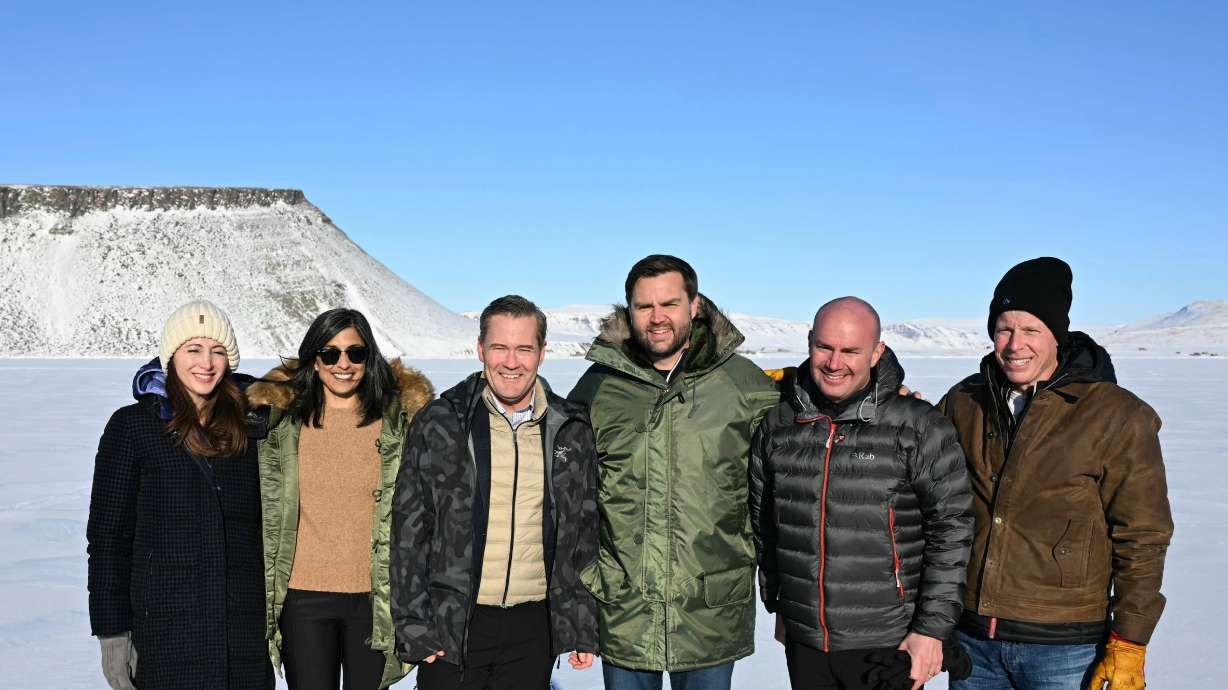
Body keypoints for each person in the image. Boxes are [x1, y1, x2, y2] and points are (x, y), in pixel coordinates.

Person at [937, 257, 1174, 690]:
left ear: (1056, 335)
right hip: (972, 640)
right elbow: (918, 472)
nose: (1015, 345)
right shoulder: (965, 401)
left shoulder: (1117, 415)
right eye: (1004, 329)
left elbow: (1143, 535)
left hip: (1064, 648)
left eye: (1031, 330)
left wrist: (1130, 639)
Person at [568, 255, 781, 689]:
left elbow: (805, 438)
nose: (657, 317)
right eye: (644, 306)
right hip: (625, 609)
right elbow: (565, 488)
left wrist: (884, 398)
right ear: (629, 310)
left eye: (669, 304)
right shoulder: (599, 386)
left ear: (694, 305)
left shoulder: (744, 384)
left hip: (710, 610)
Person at [749, 297, 974, 690]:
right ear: (809, 342)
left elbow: (952, 531)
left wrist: (931, 630)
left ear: (876, 352)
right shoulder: (781, 424)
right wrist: (781, 602)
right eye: (824, 347)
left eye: (851, 351)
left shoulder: (918, 427)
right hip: (806, 639)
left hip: (887, 641)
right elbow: (766, 520)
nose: (835, 363)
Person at [391, 295, 599, 690]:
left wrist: (580, 622)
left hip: (533, 627)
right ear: (480, 349)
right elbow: (408, 529)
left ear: (542, 353)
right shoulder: (443, 422)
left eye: (524, 349)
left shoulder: (569, 427)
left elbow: (583, 533)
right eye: (500, 347)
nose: (511, 362)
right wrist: (413, 623)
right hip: (454, 623)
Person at [87, 300, 273, 690]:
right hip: (165, 632)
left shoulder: (254, 428)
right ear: (171, 356)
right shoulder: (133, 427)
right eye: (193, 349)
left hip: (242, 635)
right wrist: (112, 631)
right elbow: (107, 539)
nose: (206, 363)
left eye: (217, 351)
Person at [245, 308, 433, 690]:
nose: (343, 364)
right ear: (314, 360)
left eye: (355, 353)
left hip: (374, 598)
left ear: (369, 357)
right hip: (303, 597)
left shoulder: (399, 421)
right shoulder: (282, 422)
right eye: (330, 354)